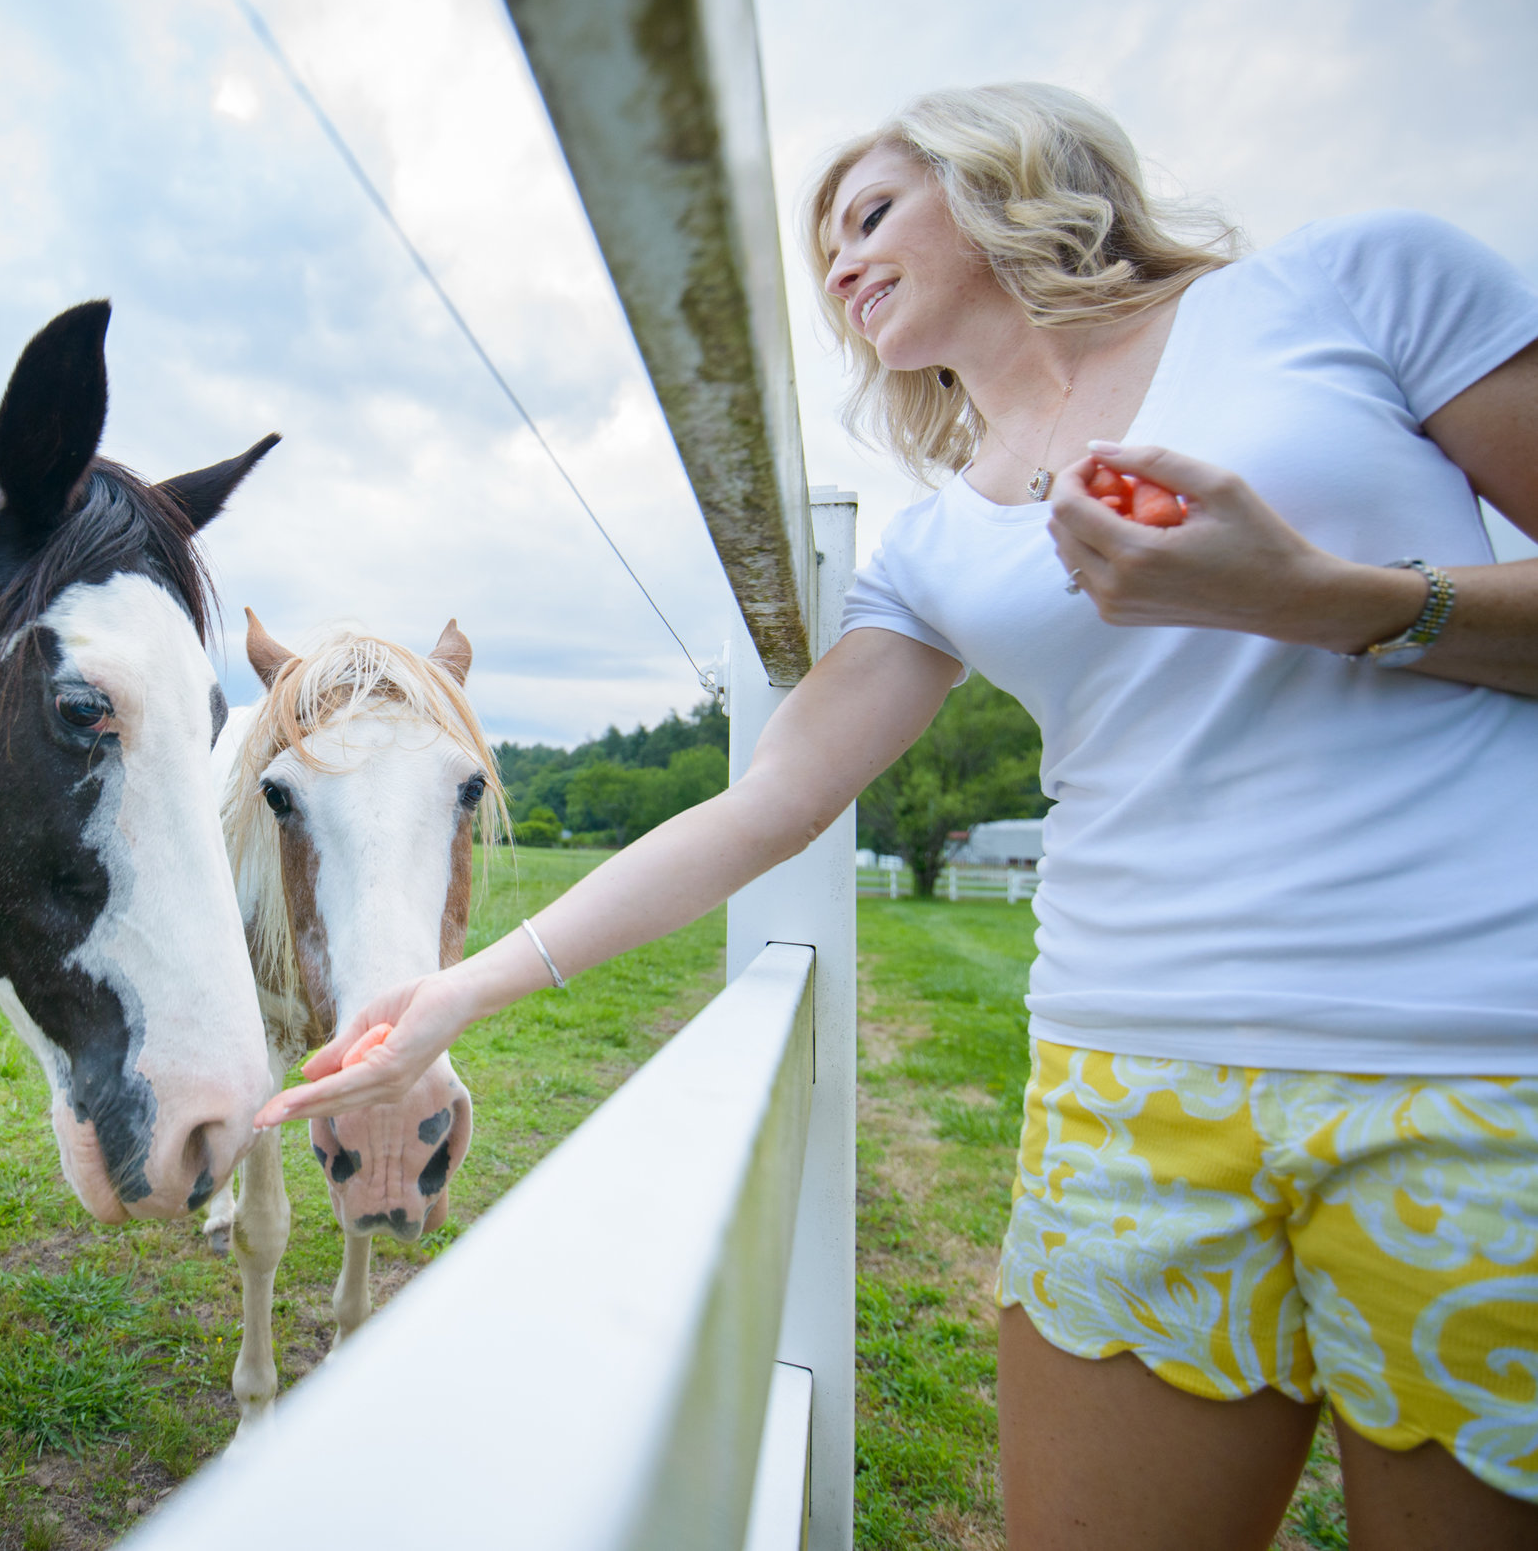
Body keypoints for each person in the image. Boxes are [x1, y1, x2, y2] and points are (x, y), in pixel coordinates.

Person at [256, 83, 1538, 1550]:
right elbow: (768, 806)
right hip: (1130, 1094)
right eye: (826, 256)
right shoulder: (940, 543)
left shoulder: (1356, 286)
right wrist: (453, 996)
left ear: (1008, 172)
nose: (844, 267)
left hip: (1477, 1078)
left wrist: (1329, 604)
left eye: (869, 215)